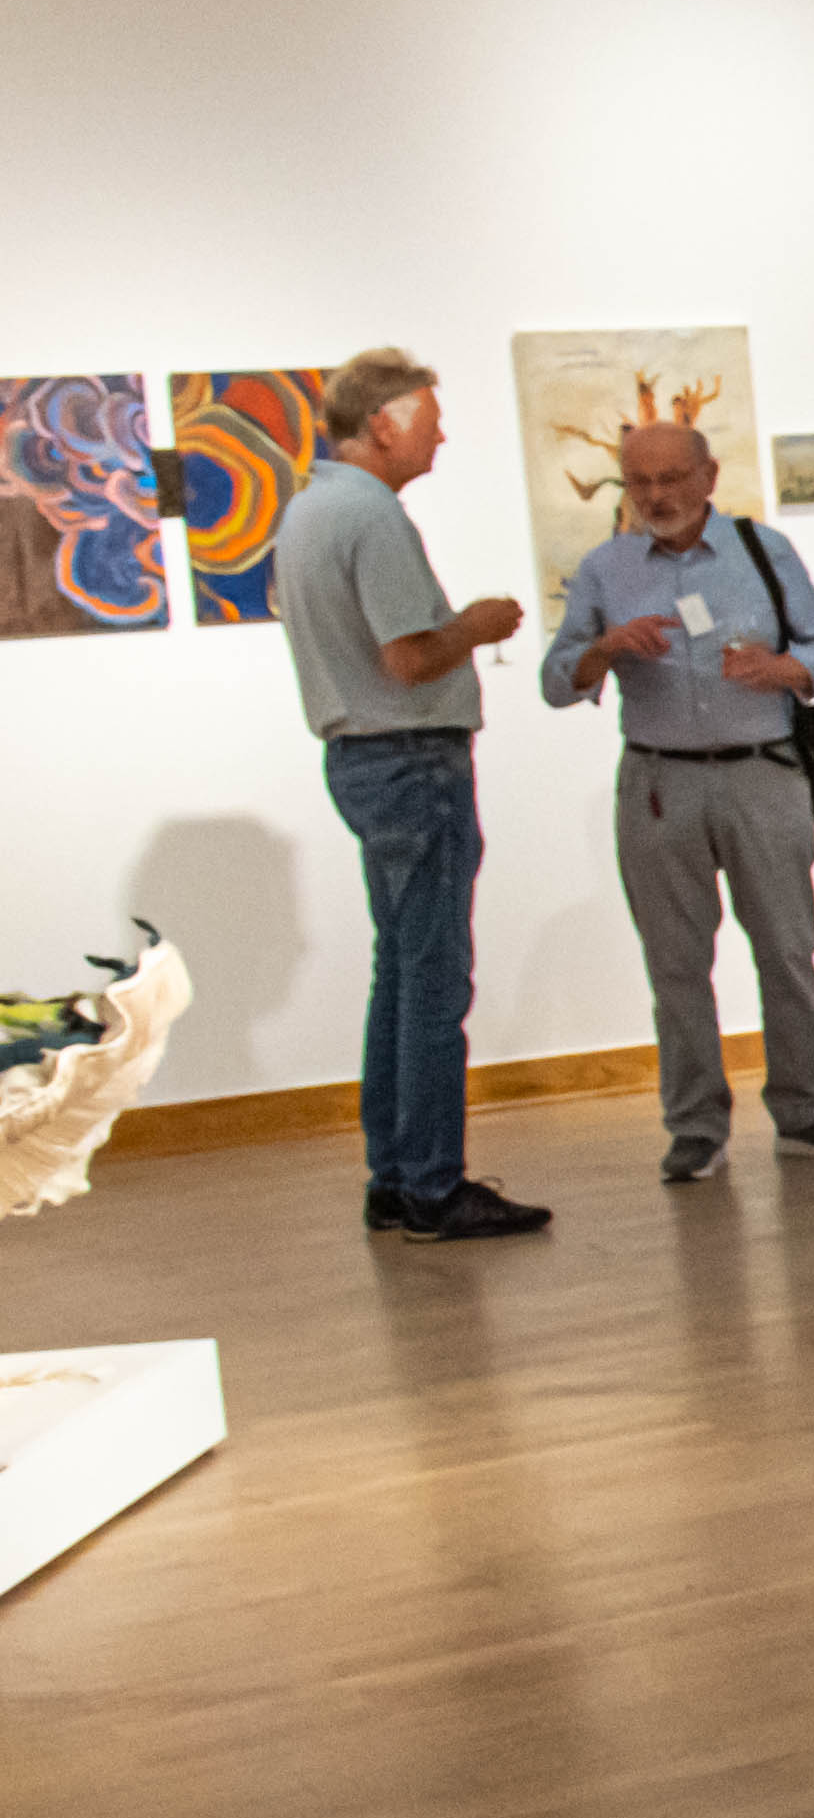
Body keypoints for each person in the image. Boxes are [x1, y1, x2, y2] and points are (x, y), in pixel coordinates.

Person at [541, 417, 814, 1182]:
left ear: (708, 477)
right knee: (676, 964)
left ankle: (806, 1110)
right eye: (640, 482)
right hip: (659, 783)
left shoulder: (765, 551)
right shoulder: (605, 569)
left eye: (671, 479)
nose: (656, 496)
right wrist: (605, 649)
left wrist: (783, 669)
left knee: (786, 950)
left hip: (763, 773)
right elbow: (557, 681)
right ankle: (694, 1126)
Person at [274, 347, 548, 1244]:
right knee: (431, 979)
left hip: (362, 760)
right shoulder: (371, 515)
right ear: (384, 425)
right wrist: (479, 624)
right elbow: (409, 657)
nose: (442, 436)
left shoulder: (309, 510)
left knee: (399, 970)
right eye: (430, 420)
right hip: (412, 762)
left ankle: (395, 1177)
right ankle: (432, 1185)